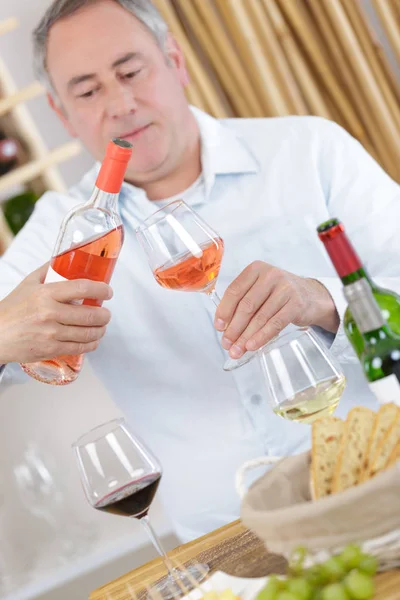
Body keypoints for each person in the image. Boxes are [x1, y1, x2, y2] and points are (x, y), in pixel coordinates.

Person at [1, 0, 400, 542]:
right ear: (61, 111)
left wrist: (325, 300)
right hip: (224, 550)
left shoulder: (310, 150)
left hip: (381, 495)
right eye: (88, 91)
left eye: (131, 71)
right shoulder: (60, 230)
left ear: (176, 62)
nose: (120, 104)